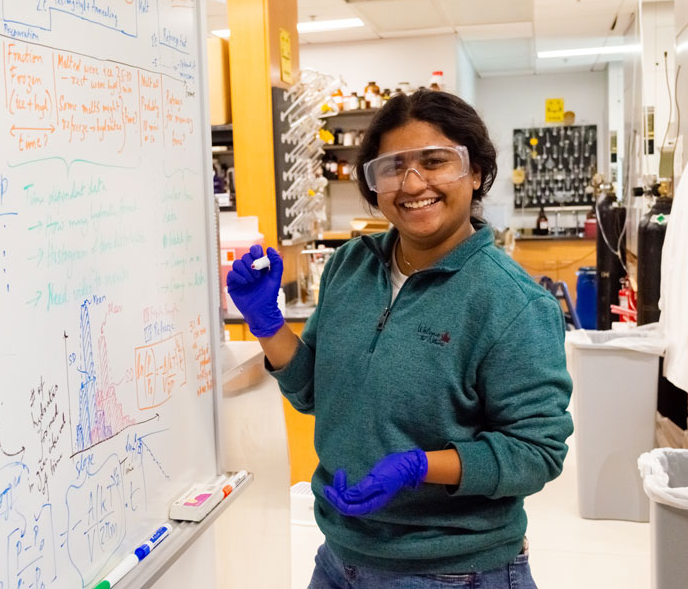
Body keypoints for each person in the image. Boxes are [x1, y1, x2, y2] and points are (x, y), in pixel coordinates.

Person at [226, 90, 573, 588]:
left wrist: (418, 467)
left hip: (454, 570)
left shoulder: (511, 303)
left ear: (475, 173)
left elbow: (536, 453)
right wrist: (266, 324)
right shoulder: (351, 266)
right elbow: (313, 393)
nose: (412, 184)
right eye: (392, 168)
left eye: (434, 162)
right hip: (339, 557)